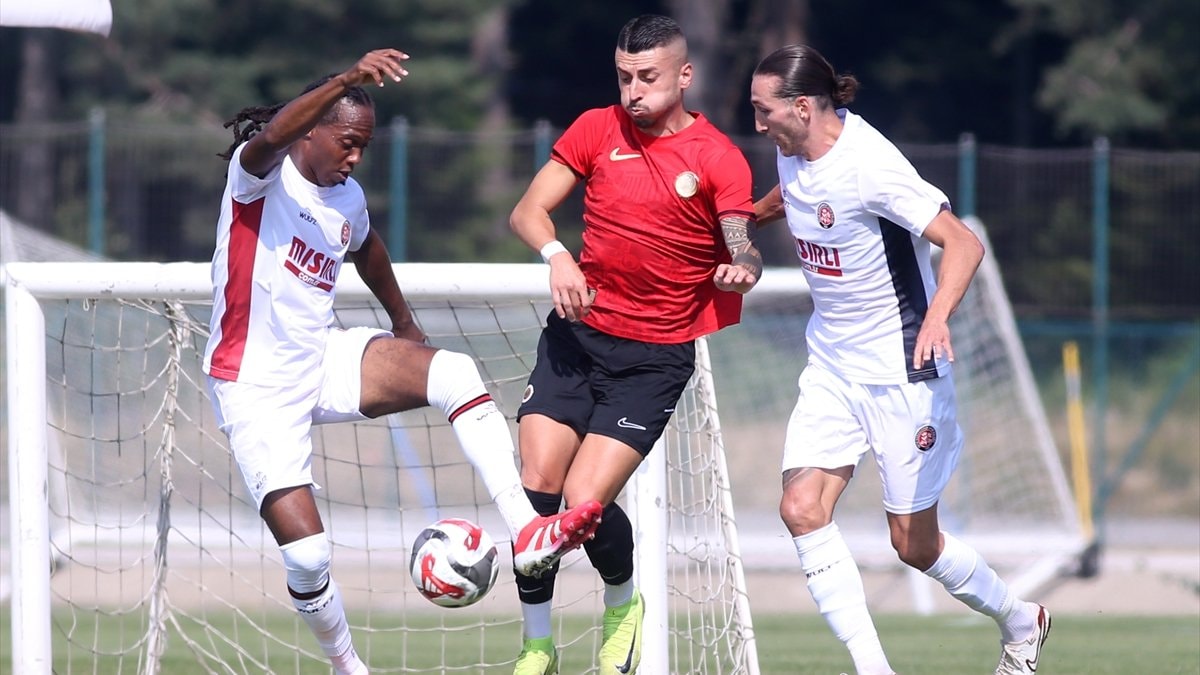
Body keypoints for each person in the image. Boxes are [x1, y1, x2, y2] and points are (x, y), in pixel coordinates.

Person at [202, 49, 603, 675]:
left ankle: (527, 529)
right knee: (307, 558)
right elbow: (273, 133)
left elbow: (368, 248)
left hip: (319, 357)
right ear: (311, 129)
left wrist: (404, 321)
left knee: (454, 372)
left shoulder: (347, 197)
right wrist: (344, 78)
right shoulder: (259, 176)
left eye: (364, 146)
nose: (356, 157)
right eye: (348, 142)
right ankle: (347, 666)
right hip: (252, 382)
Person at [749, 44, 1052, 675]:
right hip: (832, 366)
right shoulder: (792, 147)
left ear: (802, 107)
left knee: (913, 544)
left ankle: (1021, 620)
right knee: (800, 508)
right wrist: (745, 219)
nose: (758, 123)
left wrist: (937, 317)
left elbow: (963, 243)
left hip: (902, 372)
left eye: (764, 110)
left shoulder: (871, 166)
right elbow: (795, 192)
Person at [506, 14, 762, 675]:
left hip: (652, 358)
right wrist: (558, 256)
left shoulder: (716, 157)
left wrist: (742, 264)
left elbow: (741, 241)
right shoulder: (597, 129)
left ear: (684, 75)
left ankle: (623, 603)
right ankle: (537, 645)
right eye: (624, 77)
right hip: (576, 337)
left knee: (583, 504)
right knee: (536, 488)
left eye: (647, 77)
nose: (633, 92)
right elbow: (528, 211)